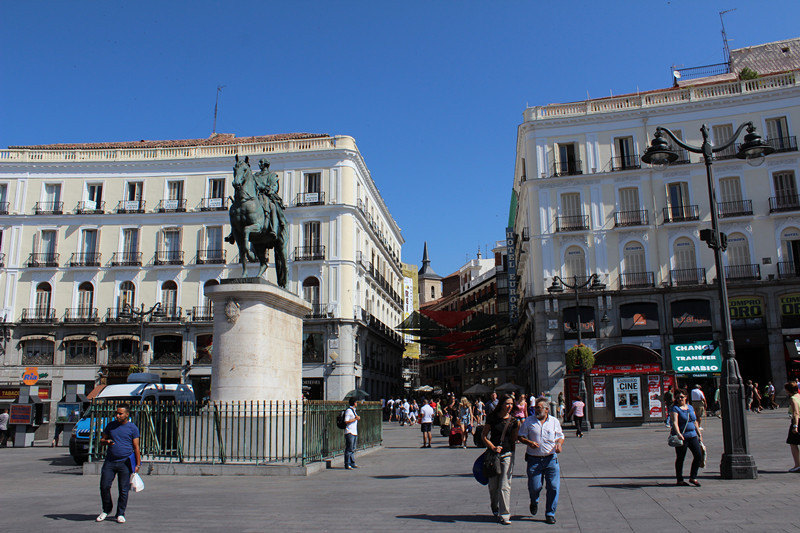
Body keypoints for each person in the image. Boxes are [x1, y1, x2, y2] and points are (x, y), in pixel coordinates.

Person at [518, 398, 564, 525]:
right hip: (534, 460)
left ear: (547, 409)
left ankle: (550, 513)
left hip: (551, 459)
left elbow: (560, 436)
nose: (537, 410)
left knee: (553, 487)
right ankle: (534, 500)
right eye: (536, 408)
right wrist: (529, 442)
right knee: (535, 487)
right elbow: (520, 436)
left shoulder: (554, 421)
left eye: (539, 408)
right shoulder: (529, 421)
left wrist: (559, 445)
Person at [97, 404, 141, 523]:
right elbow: (101, 441)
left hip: (125, 462)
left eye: (120, 413)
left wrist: (138, 464)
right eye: (116, 413)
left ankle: (120, 513)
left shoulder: (132, 428)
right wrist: (106, 442)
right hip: (110, 461)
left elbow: (136, 447)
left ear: (127, 414)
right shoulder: (111, 426)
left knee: (123, 489)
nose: (117, 415)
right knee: (104, 486)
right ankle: (106, 509)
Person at [480, 394, 519, 525]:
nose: (509, 406)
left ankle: (505, 514)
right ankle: (495, 506)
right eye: (507, 403)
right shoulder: (492, 418)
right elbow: (484, 436)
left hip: (507, 454)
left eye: (512, 404)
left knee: (504, 485)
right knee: (493, 486)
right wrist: (492, 447)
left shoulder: (514, 421)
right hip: (493, 454)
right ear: (501, 404)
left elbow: (514, 440)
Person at [670, 389, 703, 486]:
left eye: (681, 397)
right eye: (677, 397)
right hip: (682, 437)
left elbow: (695, 421)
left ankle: (693, 477)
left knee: (698, 455)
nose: (680, 399)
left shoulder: (690, 407)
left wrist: (699, 434)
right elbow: (675, 422)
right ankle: (679, 480)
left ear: (686, 397)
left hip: (692, 435)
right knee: (680, 458)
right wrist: (678, 433)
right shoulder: (675, 408)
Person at [785, 381, 800, 472]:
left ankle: (797, 465)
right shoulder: (799, 396)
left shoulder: (793, 399)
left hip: (797, 421)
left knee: (793, 443)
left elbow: (795, 413)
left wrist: (795, 426)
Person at [343, 398, 360, 470]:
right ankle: (347, 464)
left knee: (353, 448)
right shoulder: (348, 411)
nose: (357, 403)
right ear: (354, 403)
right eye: (356, 402)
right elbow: (346, 421)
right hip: (349, 431)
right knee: (349, 448)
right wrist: (355, 419)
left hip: (354, 431)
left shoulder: (354, 411)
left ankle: (352, 462)